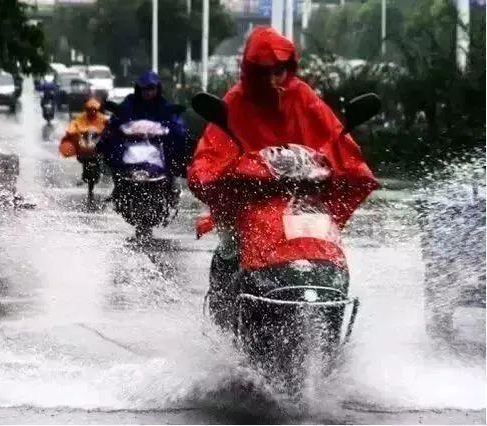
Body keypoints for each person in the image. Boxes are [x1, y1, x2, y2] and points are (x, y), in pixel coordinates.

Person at [187, 27, 380, 328]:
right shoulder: (235, 101)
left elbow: (333, 136)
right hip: (248, 200)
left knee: (325, 247)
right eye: (263, 72)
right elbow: (211, 152)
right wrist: (219, 174)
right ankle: (223, 322)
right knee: (229, 246)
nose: (273, 79)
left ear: (289, 67)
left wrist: (339, 160)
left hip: (303, 199)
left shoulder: (303, 96)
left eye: (279, 70)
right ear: (250, 71)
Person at [98, 70, 188, 178]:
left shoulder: (164, 105)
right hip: (130, 144)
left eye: (151, 89)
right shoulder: (130, 102)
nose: (148, 92)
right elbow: (118, 118)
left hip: (157, 144)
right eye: (145, 89)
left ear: (157, 89)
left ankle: (172, 177)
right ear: (139, 89)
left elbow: (177, 126)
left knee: (179, 142)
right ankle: (116, 177)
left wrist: (164, 129)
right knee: (111, 142)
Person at [59, 97, 110, 197]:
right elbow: (73, 126)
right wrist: (73, 132)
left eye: (94, 110)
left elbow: (109, 125)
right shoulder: (81, 117)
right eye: (89, 110)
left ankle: (104, 168)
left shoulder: (102, 118)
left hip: (98, 140)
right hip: (85, 140)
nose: (92, 112)